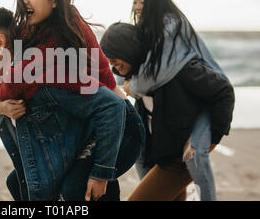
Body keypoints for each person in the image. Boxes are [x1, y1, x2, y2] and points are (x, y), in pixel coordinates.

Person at [0, 7, 145, 201]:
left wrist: (101, 173)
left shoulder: (44, 70)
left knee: (75, 189)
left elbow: (111, 105)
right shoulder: (9, 71)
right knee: (19, 182)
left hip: (118, 125)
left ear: (0, 42)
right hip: (91, 129)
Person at [124, 0, 235, 200]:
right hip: (163, 151)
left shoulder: (181, 63)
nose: (136, 7)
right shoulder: (152, 51)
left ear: (155, 3)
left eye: (142, 1)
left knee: (195, 154)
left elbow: (223, 91)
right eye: (135, 1)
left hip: (178, 153)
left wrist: (212, 138)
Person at [100, 22, 235, 200]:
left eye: (114, 59)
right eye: (109, 61)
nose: (113, 66)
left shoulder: (174, 70)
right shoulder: (137, 79)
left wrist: (212, 139)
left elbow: (223, 91)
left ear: (127, 50)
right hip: (160, 155)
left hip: (179, 160)